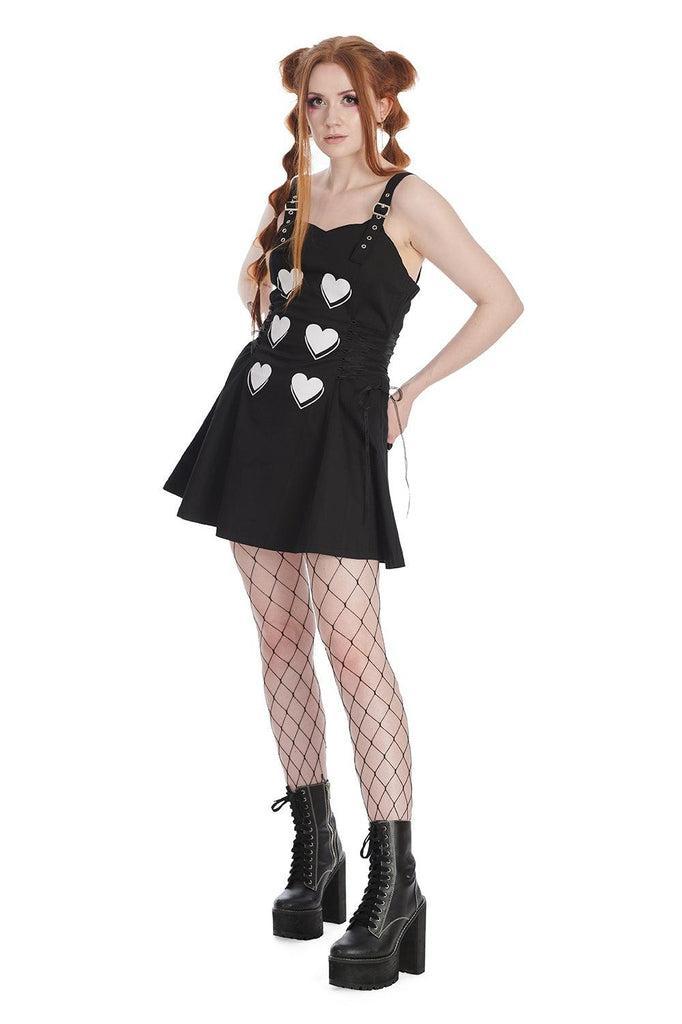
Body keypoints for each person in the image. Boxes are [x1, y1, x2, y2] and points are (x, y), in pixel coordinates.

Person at [163, 34, 523, 990]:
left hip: (339, 438)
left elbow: (500, 301)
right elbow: (254, 291)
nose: (328, 118)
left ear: (382, 106)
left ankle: (395, 883)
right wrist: (265, 299)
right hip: (257, 423)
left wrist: (411, 392)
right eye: (314, 102)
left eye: (347, 100)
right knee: (281, 638)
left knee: (356, 650)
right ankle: (314, 848)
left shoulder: (411, 200)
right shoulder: (290, 197)